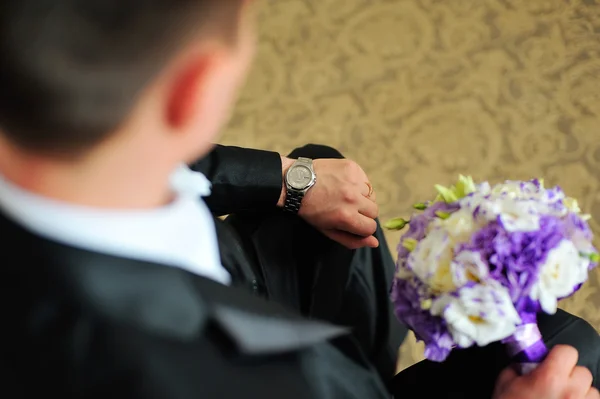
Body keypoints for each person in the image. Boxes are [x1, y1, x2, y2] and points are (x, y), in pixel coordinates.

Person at [0, 1, 597, 398]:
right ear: (195, 89)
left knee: (319, 171)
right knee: (579, 349)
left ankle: (371, 356)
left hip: (224, 293)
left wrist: (287, 180)